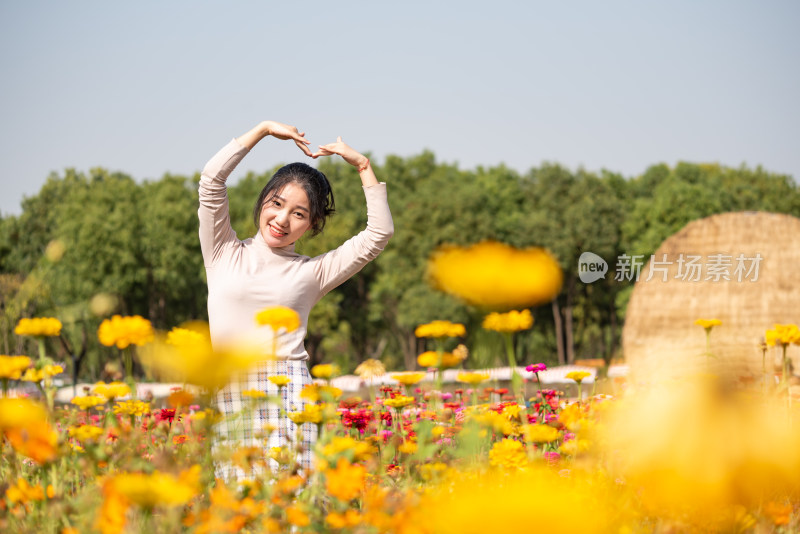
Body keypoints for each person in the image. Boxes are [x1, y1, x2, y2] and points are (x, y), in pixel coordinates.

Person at [198, 120, 393, 477]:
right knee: (237, 506)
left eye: (299, 214)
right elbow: (212, 180)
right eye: (277, 203)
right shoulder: (222, 250)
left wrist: (363, 167)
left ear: (312, 225)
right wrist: (263, 130)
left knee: (292, 504)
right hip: (229, 386)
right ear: (263, 201)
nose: (282, 219)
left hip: (289, 391)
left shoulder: (311, 273)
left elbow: (378, 234)